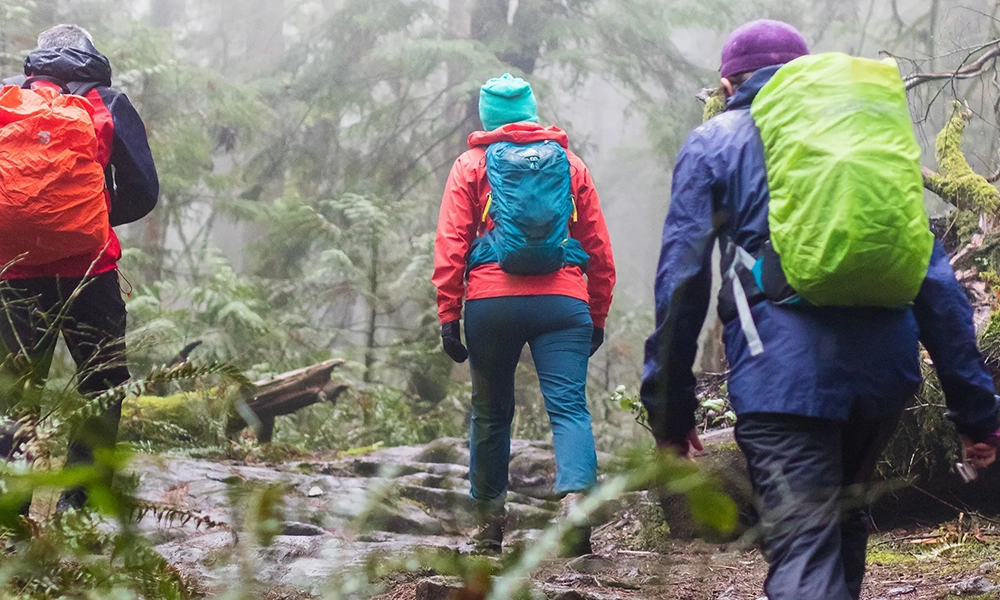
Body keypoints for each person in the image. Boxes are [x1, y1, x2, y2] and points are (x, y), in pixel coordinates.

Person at [641, 19, 1000, 600]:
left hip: (781, 379)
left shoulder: (715, 141)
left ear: (728, 86)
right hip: (884, 375)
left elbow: (681, 282)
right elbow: (933, 279)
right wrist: (976, 412)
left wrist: (669, 410)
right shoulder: (860, 138)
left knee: (804, 544)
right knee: (844, 521)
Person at [432, 73, 615, 555]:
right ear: (531, 111)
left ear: (487, 117)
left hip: (491, 305)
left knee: (491, 413)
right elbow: (597, 245)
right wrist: (597, 313)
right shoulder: (570, 164)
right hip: (563, 303)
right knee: (569, 407)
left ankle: (489, 525)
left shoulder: (471, 165)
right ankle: (576, 503)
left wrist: (449, 313)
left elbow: (451, 242)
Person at [0, 24, 159, 512]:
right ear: (91, 56)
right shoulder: (107, 102)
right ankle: (79, 510)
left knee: (15, 391)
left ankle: (9, 517)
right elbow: (143, 191)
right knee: (101, 385)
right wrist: (88, 218)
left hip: (14, 271)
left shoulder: (7, 98)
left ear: (38, 59)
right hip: (91, 271)